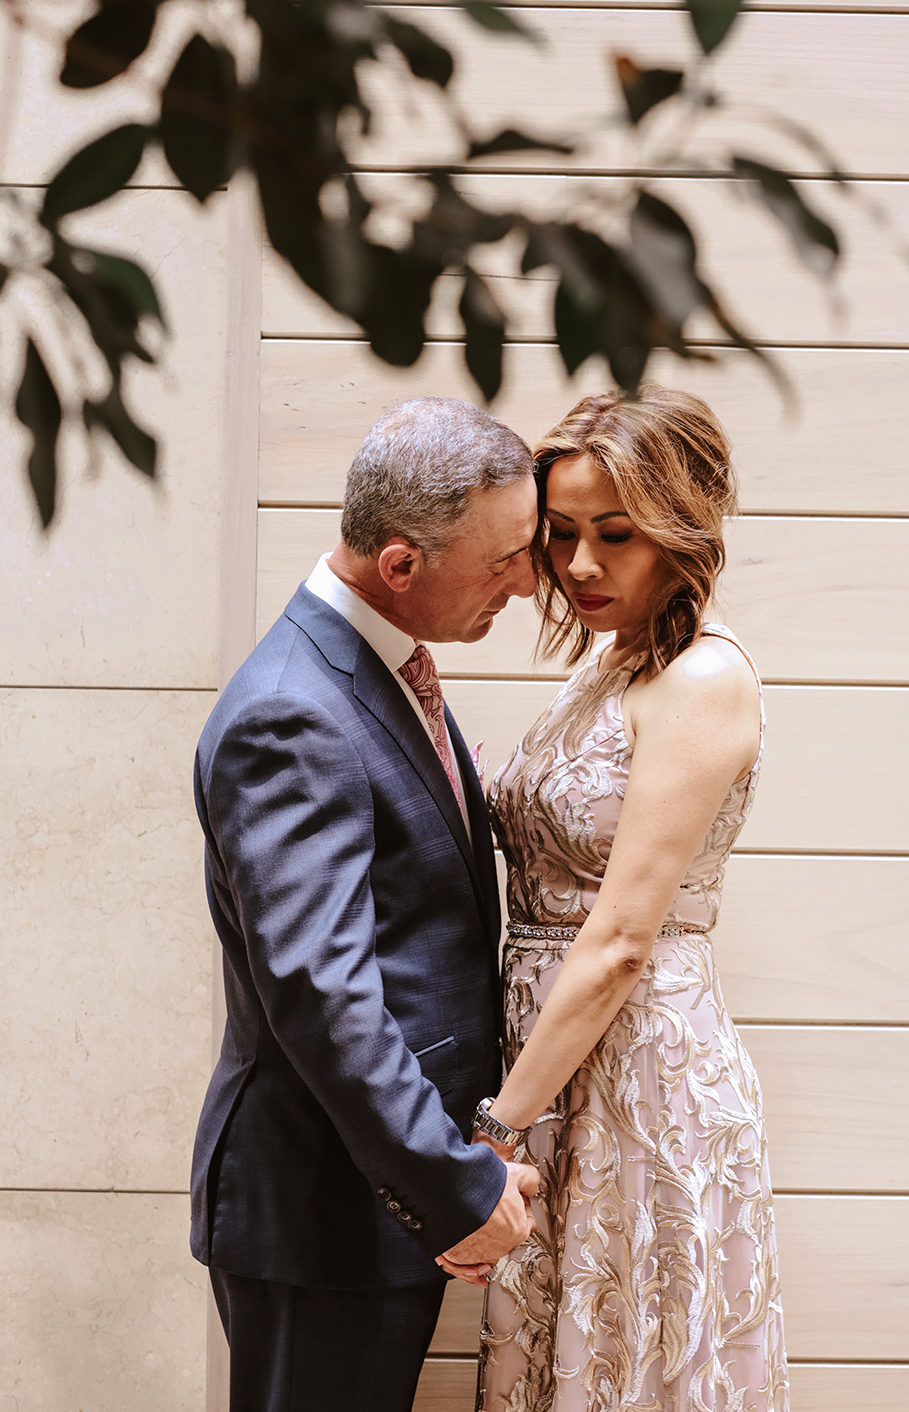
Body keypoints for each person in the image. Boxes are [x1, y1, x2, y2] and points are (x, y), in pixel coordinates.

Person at [190, 397, 541, 1412]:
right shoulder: (293, 714)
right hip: (320, 1210)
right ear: (400, 567)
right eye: (503, 561)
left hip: (370, 1198)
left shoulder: (379, 672)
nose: (524, 583)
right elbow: (321, 992)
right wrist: (451, 1186)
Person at [457, 384, 790, 1411]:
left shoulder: (701, 679)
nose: (583, 565)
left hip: (640, 1074)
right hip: (558, 1064)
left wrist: (495, 1135)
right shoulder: (612, 663)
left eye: (618, 534)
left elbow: (619, 939)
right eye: (561, 536)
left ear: (683, 528)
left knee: (628, 1359)